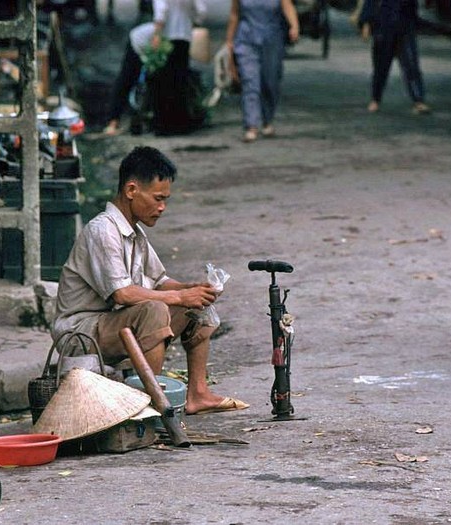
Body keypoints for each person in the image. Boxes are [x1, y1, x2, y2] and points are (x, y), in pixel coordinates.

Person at [52, 146, 249, 415]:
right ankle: (150, 407)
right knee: (154, 310)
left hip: (114, 322)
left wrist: (192, 290)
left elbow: (159, 281)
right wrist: (179, 297)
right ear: (132, 190)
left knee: (196, 306)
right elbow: (121, 294)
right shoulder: (103, 230)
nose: (162, 207)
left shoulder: (135, 233)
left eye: (165, 200)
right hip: (81, 333)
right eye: (158, 199)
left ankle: (198, 393)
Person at [103, 0, 207, 137]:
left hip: (162, 37)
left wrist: (158, 34)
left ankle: (118, 121)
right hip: (176, 38)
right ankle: (117, 121)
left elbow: (161, 10)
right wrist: (188, 24)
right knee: (175, 82)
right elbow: (201, 11)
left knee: (151, 80)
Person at [225, 0, 299, 143]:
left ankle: (267, 119)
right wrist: (229, 41)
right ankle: (251, 125)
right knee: (250, 81)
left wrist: (294, 25)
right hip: (245, 39)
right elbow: (234, 14)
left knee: (270, 81)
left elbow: (287, 6)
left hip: (272, 38)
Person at [358, 0, 430, 115]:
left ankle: (418, 100)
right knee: (381, 66)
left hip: (405, 25)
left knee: (411, 64)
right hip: (383, 23)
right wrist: (366, 23)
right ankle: (375, 99)